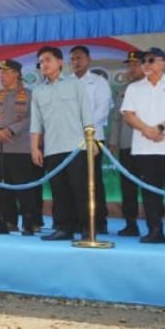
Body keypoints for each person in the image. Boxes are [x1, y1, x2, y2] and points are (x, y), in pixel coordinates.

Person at [121, 48, 165, 246]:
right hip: (144, 148)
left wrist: (160, 128)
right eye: (144, 61)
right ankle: (155, 230)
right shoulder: (134, 88)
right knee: (150, 192)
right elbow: (128, 115)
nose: (146, 64)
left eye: (151, 60)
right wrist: (146, 130)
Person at [31, 46, 94, 241]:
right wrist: (34, 147)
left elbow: (87, 114)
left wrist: (90, 141)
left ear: (60, 62)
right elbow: (36, 122)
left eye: (48, 60)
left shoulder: (75, 85)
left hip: (77, 147)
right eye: (41, 62)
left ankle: (86, 229)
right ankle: (64, 228)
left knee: (80, 190)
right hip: (52, 149)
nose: (44, 65)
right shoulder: (38, 91)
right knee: (59, 191)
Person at [0, 60, 43, 234]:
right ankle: (4, 222)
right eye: (0, 73)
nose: (2, 76)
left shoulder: (30, 95)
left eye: (6, 72)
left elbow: (34, 118)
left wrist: (12, 130)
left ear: (17, 74)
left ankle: (29, 222)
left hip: (21, 148)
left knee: (25, 188)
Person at [69, 45, 111, 234]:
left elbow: (101, 111)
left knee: (92, 182)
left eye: (79, 58)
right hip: (69, 140)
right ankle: (78, 220)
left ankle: (97, 222)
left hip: (93, 139)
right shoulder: (65, 82)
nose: (76, 62)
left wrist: (84, 129)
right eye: (73, 59)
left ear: (88, 60)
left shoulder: (98, 82)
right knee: (74, 182)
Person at [108, 51, 146, 236]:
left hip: (148, 145)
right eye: (129, 65)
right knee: (128, 187)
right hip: (126, 143)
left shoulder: (152, 87)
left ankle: (155, 225)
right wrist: (113, 141)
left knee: (151, 186)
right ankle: (131, 223)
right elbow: (116, 118)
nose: (132, 69)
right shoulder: (123, 90)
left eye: (135, 64)